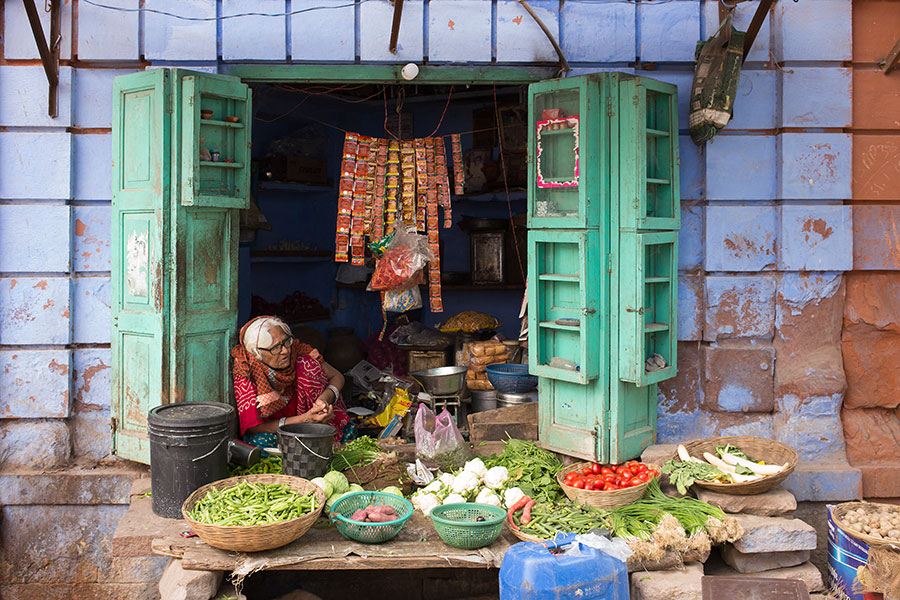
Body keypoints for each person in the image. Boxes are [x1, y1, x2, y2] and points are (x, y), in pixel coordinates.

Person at [232, 316, 349, 448]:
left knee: (307, 364)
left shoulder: (298, 353)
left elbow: (337, 377)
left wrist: (322, 400)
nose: (285, 351)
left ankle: (317, 438)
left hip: (316, 423)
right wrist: (304, 420)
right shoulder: (246, 372)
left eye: (286, 342)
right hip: (279, 430)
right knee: (259, 442)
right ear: (257, 353)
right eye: (275, 348)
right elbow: (255, 427)